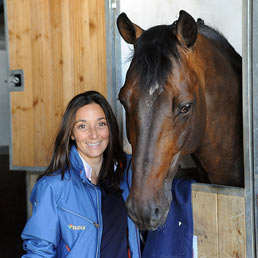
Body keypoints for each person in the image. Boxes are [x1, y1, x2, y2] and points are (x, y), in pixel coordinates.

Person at [21, 91, 141, 258]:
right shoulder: (53, 188)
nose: (93, 134)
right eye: (82, 126)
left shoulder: (128, 173)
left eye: (101, 124)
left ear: (110, 128)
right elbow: (38, 252)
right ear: (71, 133)